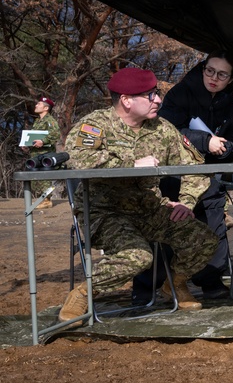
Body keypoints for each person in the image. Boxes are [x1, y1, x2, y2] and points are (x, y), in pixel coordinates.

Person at [58, 67, 218, 324]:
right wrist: (132, 163)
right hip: (105, 211)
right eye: (151, 95)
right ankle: (84, 293)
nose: (158, 100)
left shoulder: (162, 128)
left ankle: (174, 284)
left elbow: (195, 167)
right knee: (139, 256)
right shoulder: (95, 126)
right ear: (126, 100)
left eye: (156, 94)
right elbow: (79, 160)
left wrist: (186, 202)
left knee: (204, 239)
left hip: (149, 209)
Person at [131, 51, 233, 302]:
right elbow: (166, 130)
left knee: (214, 223)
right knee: (164, 223)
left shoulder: (230, 101)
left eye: (222, 74)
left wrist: (229, 147)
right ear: (203, 68)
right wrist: (205, 141)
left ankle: (210, 280)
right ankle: (146, 286)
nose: (214, 78)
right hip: (174, 174)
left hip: (209, 173)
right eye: (210, 71)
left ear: (230, 79)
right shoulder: (180, 93)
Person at [22, 95, 60, 209]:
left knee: (45, 178)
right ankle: (42, 199)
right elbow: (34, 137)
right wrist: (27, 145)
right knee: (37, 178)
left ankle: (47, 200)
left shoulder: (50, 121)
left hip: (45, 154)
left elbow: (55, 134)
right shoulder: (38, 121)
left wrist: (43, 141)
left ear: (46, 108)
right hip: (36, 154)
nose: (36, 105)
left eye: (39, 104)